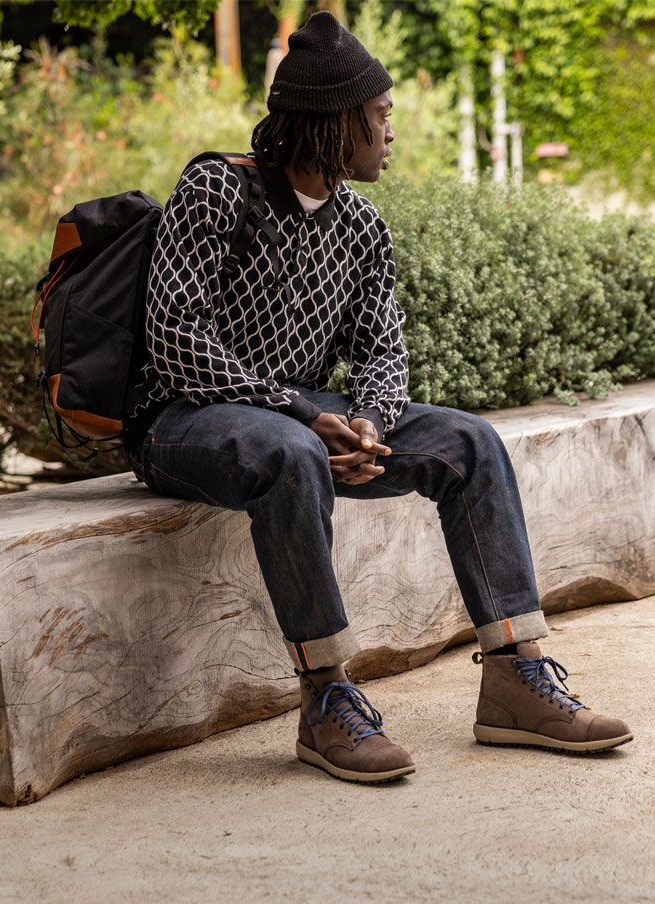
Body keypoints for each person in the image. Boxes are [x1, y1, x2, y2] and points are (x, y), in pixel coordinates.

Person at [123, 11, 633, 784]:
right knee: (291, 449)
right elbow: (175, 339)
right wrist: (300, 414)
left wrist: (366, 422)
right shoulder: (214, 192)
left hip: (303, 421)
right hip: (180, 421)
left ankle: (513, 674)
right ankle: (327, 697)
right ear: (335, 122)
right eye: (380, 115)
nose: (390, 131)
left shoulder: (361, 225)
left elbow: (384, 349)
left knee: (469, 444)